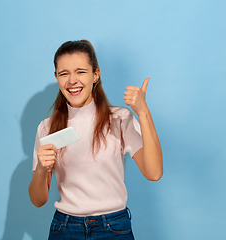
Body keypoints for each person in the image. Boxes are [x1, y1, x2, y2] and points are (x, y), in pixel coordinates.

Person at [28, 40, 163, 239]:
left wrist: (143, 113)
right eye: (64, 73)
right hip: (65, 228)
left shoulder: (119, 119)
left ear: (95, 75)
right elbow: (38, 200)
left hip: (113, 227)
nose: (72, 80)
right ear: (56, 77)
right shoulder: (47, 128)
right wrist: (41, 169)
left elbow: (154, 173)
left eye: (80, 71)